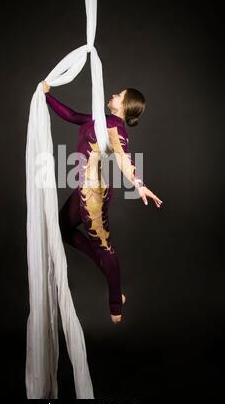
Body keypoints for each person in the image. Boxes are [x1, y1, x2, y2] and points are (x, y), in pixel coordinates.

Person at [42, 80, 163, 324]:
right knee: (63, 229)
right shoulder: (101, 118)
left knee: (104, 248)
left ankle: (115, 302)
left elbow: (124, 160)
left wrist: (140, 185)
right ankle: (111, 279)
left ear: (125, 106)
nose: (114, 94)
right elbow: (73, 115)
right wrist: (47, 96)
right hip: (83, 189)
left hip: (94, 194)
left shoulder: (117, 128)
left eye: (120, 95)